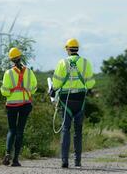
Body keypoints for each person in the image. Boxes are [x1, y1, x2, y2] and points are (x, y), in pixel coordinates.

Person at [51, 38, 95, 168]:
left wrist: (53, 90)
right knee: (78, 131)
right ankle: (78, 161)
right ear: (77, 49)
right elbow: (91, 83)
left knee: (65, 129)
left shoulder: (62, 63)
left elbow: (57, 83)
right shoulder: (86, 63)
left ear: (67, 49)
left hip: (65, 100)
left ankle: (64, 161)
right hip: (80, 100)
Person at [0, 47, 37, 167]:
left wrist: (8, 91)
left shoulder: (8, 73)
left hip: (11, 105)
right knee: (20, 131)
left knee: (12, 130)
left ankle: (7, 153)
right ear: (21, 57)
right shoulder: (29, 72)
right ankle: (15, 159)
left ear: (11, 60)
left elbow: (5, 92)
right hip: (25, 104)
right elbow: (34, 88)